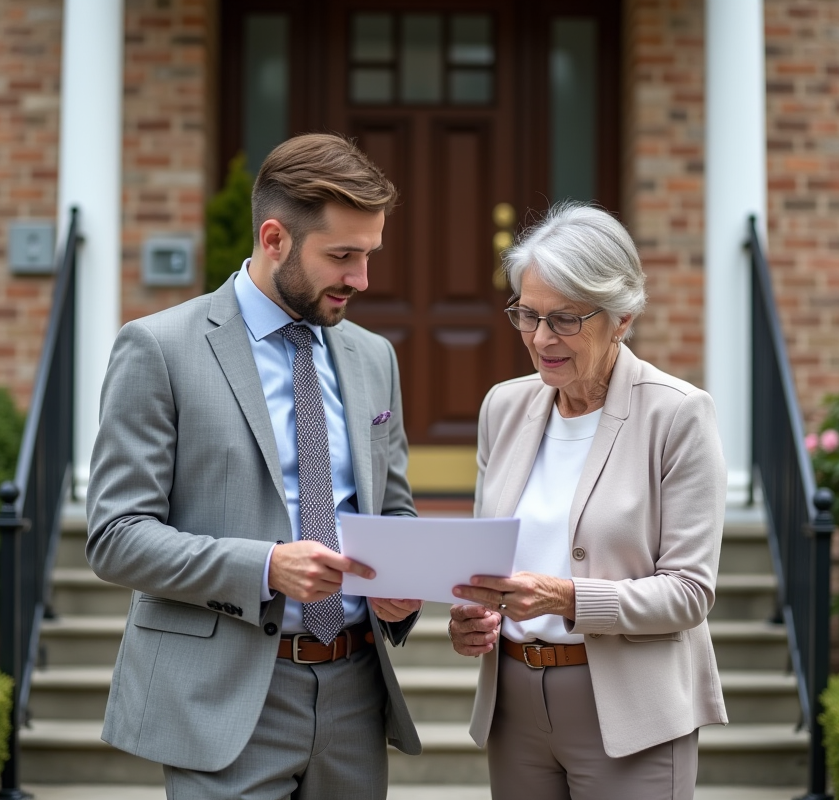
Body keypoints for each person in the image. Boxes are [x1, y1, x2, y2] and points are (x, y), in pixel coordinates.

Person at [86, 133, 423, 799]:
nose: (361, 278)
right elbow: (115, 537)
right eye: (343, 256)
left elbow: (395, 511)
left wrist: (403, 588)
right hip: (225, 698)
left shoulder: (374, 357)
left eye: (368, 254)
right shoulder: (159, 349)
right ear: (275, 240)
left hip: (356, 694)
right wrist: (266, 567)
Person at [448, 202, 728, 800]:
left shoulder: (677, 414)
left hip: (630, 711)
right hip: (514, 704)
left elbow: (689, 592)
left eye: (565, 320)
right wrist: (475, 615)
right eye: (527, 315)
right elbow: (487, 558)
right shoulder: (503, 407)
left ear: (622, 318)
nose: (541, 338)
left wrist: (564, 597)